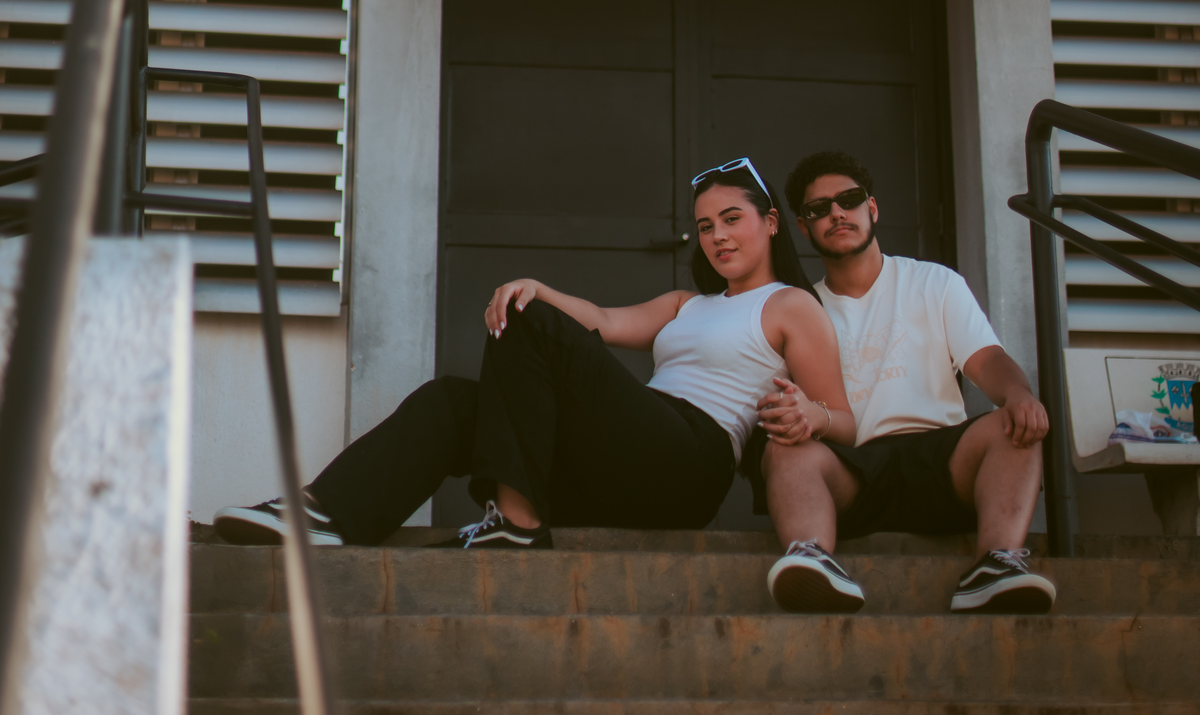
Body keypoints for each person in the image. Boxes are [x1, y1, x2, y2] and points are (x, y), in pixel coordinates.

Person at [213, 155, 854, 550]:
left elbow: (845, 421)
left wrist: (813, 417)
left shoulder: (791, 305)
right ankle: (327, 514)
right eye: (706, 225)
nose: (717, 236)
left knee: (533, 326)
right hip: (629, 456)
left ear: (770, 222)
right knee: (453, 400)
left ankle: (517, 522)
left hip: (690, 463)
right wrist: (537, 288)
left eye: (732, 219)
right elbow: (603, 322)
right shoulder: (687, 302)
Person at [751, 149, 1056, 617]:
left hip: (943, 463)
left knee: (1014, 423)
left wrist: (1017, 393)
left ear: (871, 208)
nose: (836, 213)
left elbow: (988, 359)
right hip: (852, 471)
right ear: (804, 227)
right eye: (819, 208)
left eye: (848, 199)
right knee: (783, 447)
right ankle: (812, 558)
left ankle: (995, 565)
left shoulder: (934, 282)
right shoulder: (798, 307)